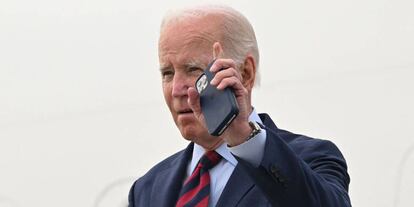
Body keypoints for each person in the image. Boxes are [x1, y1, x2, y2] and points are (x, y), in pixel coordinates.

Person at [128, 4, 351, 207]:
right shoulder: (146, 189)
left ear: (245, 74)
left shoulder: (312, 158)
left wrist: (243, 136)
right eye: (167, 73)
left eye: (193, 69)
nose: (176, 90)